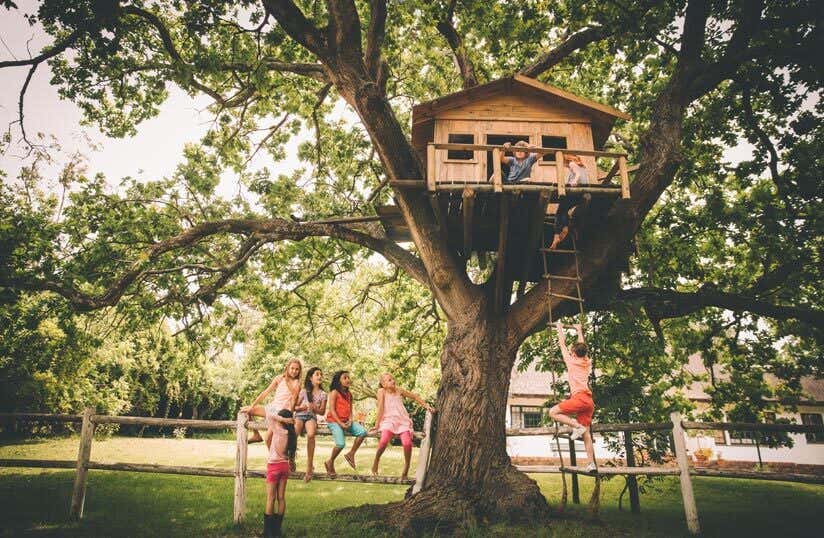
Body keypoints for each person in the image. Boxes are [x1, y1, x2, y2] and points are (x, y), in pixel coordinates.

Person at [240, 405, 296, 538]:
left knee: (270, 498)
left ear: (281, 420)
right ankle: (277, 530)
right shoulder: (291, 434)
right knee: (281, 498)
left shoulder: (277, 429)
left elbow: (269, 414)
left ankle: (268, 533)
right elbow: (291, 455)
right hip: (284, 467)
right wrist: (286, 420)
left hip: (273, 467)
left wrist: (281, 418)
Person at [549, 321, 597, 473]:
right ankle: (591, 465)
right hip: (589, 401)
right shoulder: (586, 361)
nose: (570, 352)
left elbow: (562, 344)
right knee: (586, 434)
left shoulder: (571, 361)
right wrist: (579, 330)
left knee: (553, 412)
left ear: (574, 353)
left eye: (572, 351)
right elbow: (582, 347)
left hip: (580, 398)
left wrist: (559, 328)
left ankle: (576, 426)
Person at [369, 373, 435, 480]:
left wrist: (427, 406)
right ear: (383, 384)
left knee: (407, 444)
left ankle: (407, 466)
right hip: (388, 420)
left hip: (402, 421)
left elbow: (414, 396)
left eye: (393, 379)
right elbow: (380, 408)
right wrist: (377, 425)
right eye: (389, 380)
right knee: (384, 440)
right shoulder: (381, 392)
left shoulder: (399, 390)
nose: (393, 381)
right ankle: (376, 460)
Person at [246, 359, 302, 470]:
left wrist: (290, 415)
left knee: (268, 438)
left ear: (299, 371)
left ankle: (282, 461)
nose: (294, 371)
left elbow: (294, 397)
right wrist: (252, 405)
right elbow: (265, 393)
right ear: (287, 367)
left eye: (297, 369)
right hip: (272, 408)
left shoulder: (297, 383)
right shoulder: (278, 378)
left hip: (282, 412)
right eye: (292, 368)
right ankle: (256, 435)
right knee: (247, 410)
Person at [324, 370, 368, 478]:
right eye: (345, 378)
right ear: (338, 381)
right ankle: (330, 461)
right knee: (340, 444)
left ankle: (351, 453)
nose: (348, 379)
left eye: (348, 377)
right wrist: (341, 424)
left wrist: (350, 420)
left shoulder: (349, 394)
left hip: (346, 421)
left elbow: (350, 410)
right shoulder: (334, 392)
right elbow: (332, 411)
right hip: (334, 421)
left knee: (362, 432)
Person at [549, 154, 590, 250]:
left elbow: (578, 175)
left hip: (575, 193)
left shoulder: (572, 164)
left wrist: (574, 182)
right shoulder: (582, 167)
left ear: (565, 160)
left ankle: (561, 231)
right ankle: (562, 230)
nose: (563, 164)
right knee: (563, 211)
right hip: (581, 195)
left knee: (559, 212)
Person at [294, 367, 327, 482]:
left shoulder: (323, 394)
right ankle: (291, 459)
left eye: (320, 374)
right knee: (294, 434)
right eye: (317, 374)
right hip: (299, 416)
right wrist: (301, 407)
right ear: (310, 377)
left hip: (311, 417)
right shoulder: (303, 391)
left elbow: (322, 411)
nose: (320, 376)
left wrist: (315, 408)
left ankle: (309, 466)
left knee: (311, 434)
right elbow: (294, 407)